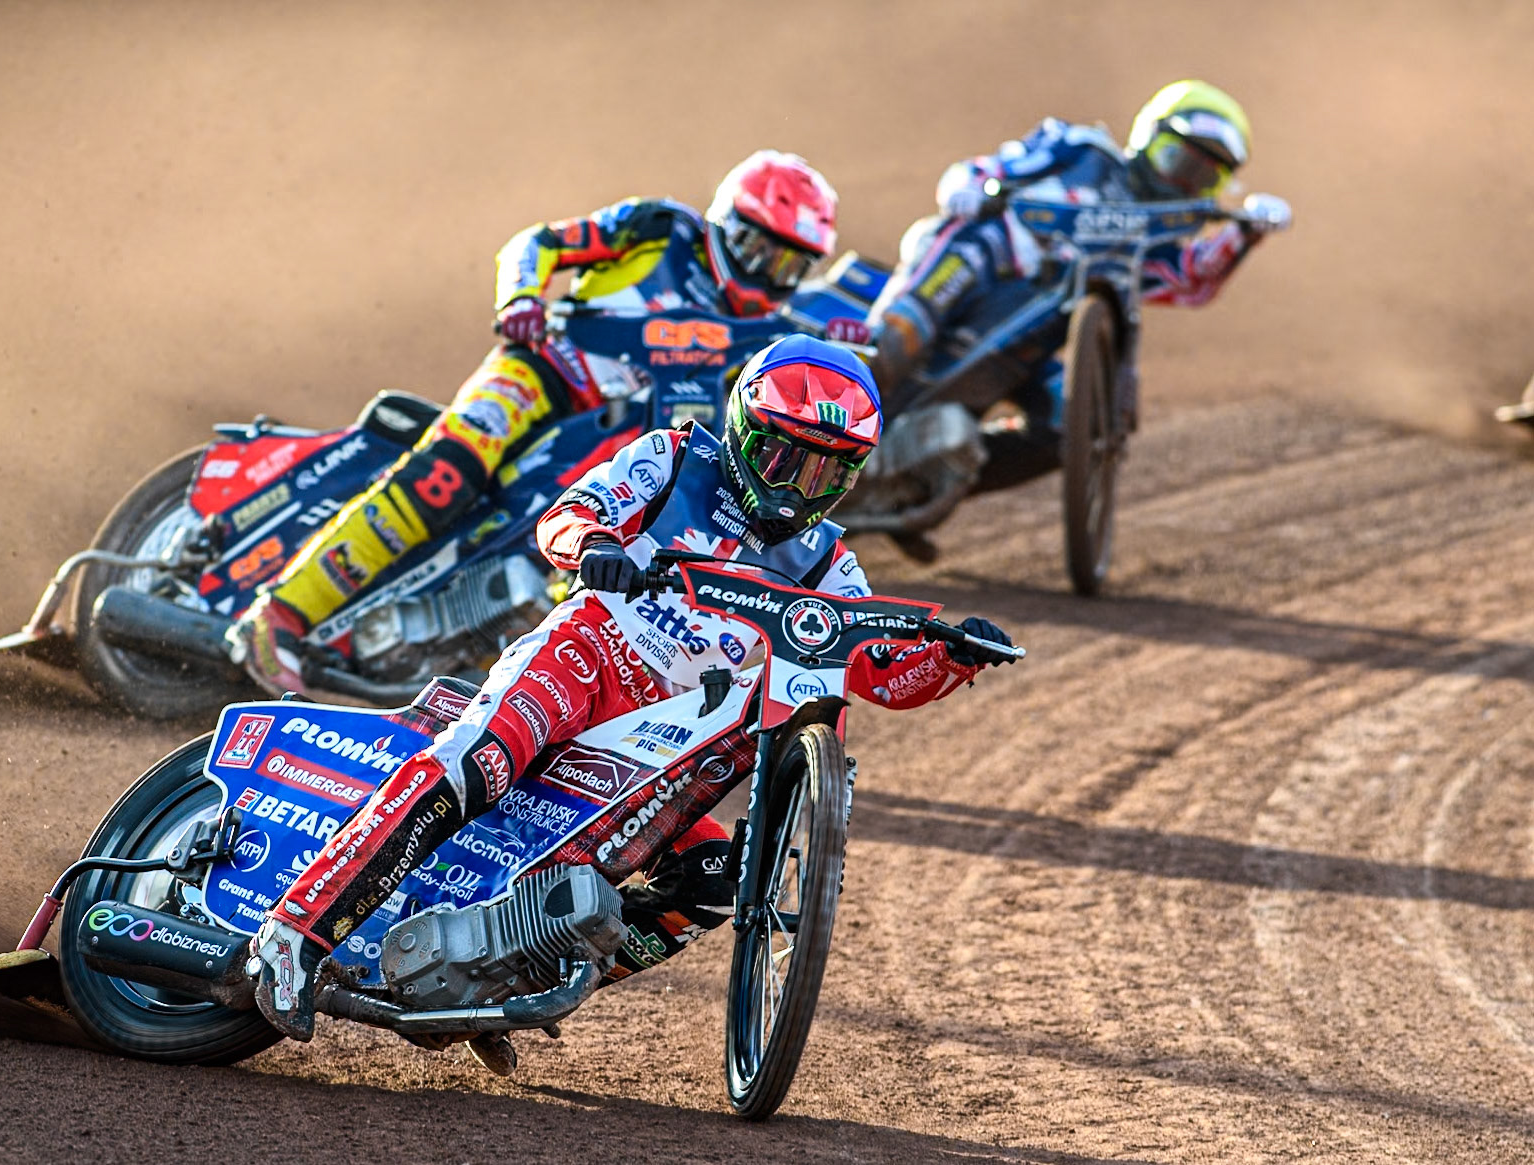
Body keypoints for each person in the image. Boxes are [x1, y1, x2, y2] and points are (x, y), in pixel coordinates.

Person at [249, 334, 1015, 1041]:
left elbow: (878, 667)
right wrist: (595, 546)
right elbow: (569, 514)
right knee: (473, 763)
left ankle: (504, 986)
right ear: (745, 432)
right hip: (584, 657)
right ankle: (294, 931)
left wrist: (953, 655)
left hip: (664, 735)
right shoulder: (674, 458)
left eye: (825, 470)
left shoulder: (827, 564)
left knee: (710, 882)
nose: (797, 489)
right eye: (784, 460)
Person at [229, 151, 869, 697]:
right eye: (759, 248)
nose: (766, 273)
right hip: (544, 373)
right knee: (444, 476)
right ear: (727, 222)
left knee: (598, 558)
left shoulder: (766, 336)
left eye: (789, 264)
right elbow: (537, 244)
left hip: (617, 433)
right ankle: (281, 611)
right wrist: (522, 299)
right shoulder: (658, 228)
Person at [867, 79, 1293, 494]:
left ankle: (920, 485)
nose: (1182, 184)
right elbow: (982, 171)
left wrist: (1246, 233)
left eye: (1204, 179)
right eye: (1177, 162)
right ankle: (831, 413)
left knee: (1078, 421)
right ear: (1149, 134)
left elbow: (1193, 280)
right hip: (979, 262)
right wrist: (970, 188)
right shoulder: (1081, 150)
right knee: (898, 338)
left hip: (1026, 343)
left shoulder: (1156, 241)